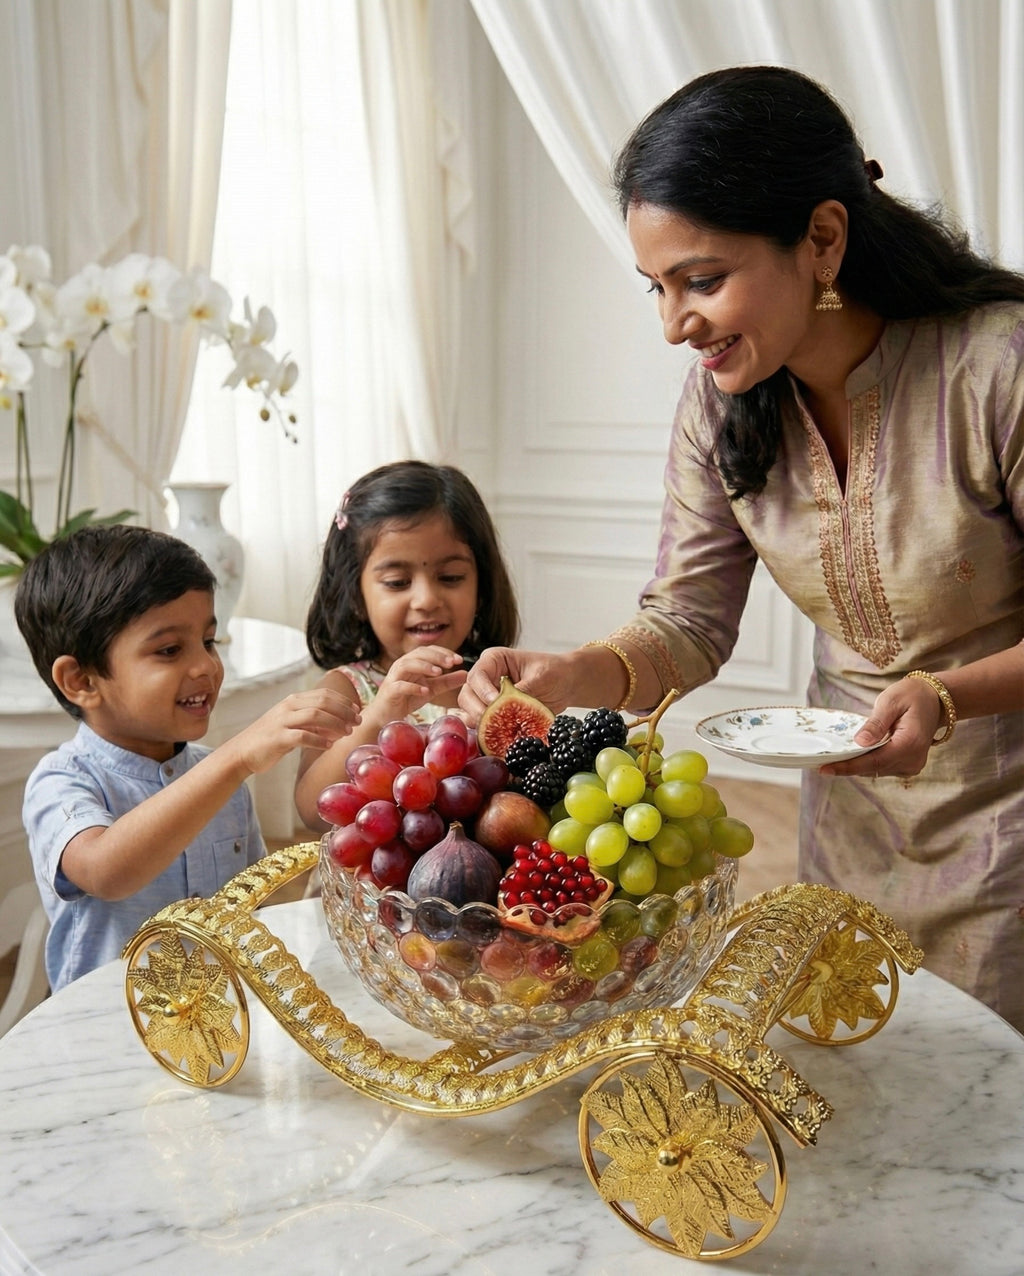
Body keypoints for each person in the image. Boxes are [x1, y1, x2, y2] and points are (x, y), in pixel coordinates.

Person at [460, 66, 1024, 1032]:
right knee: (865, 1071)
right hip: (850, 815)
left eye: (704, 281)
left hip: (1008, 815)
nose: (674, 325)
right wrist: (571, 675)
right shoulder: (720, 406)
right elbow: (688, 621)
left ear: (823, 240)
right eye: (658, 287)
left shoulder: (997, 367)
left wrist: (946, 695)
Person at [15, 524, 359, 991]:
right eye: (170, 650)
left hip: (226, 1020)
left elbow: (256, 907)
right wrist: (235, 758)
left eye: (209, 641)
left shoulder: (223, 781)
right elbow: (105, 871)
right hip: (109, 1025)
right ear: (82, 681)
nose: (206, 667)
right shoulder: (61, 781)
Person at [295, 460, 520, 830]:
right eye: (398, 582)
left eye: (451, 577)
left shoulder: (496, 685)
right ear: (355, 595)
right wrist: (380, 715)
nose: (426, 599)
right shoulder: (344, 691)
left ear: (482, 586)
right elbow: (312, 810)